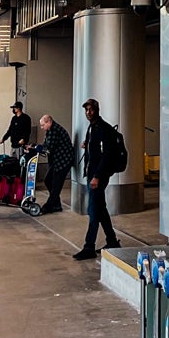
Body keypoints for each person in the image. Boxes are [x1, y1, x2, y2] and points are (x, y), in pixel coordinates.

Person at [72, 98, 120, 259]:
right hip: (92, 175)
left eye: (91, 109)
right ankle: (112, 240)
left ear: (97, 110)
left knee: (93, 210)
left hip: (98, 176)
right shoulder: (93, 127)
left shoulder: (103, 128)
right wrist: (89, 143)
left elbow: (106, 156)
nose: (88, 113)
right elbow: (97, 150)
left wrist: (97, 177)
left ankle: (89, 246)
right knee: (100, 209)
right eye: (86, 110)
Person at [38, 113, 74, 213]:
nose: (42, 127)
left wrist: (38, 149)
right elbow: (45, 144)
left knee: (56, 185)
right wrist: (35, 147)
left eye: (43, 125)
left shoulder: (55, 130)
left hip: (63, 161)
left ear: (49, 122)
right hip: (56, 161)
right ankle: (56, 204)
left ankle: (48, 206)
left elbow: (49, 146)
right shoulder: (49, 130)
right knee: (48, 180)